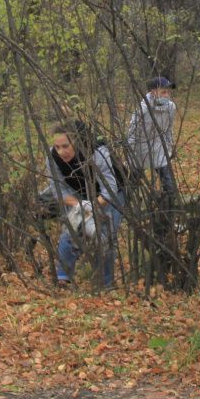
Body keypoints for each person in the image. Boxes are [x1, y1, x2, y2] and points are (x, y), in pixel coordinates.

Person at [43, 120, 124, 288]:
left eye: (66, 146)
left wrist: (93, 207)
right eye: (57, 147)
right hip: (79, 194)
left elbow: (110, 190)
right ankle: (63, 279)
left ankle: (106, 283)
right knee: (72, 229)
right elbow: (58, 190)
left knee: (104, 236)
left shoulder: (98, 153)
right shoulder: (52, 158)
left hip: (112, 194)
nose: (61, 151)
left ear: (78, 142)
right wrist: (81, 206)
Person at [126, 75, 178, 199]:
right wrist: (130, 156)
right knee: (132, 185)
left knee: (170, 186)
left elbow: (168, 130)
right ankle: (125, 208)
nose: (167, 95)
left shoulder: (171, 108)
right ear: (153, 92)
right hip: (140, 151)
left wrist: (170, 148)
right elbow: (132, 135)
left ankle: (168, 208)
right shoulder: (142, 110)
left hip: (160, 150)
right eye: (163, 92)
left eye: (168, 92)